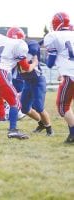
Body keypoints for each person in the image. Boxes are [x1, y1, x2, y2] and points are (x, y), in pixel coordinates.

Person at [0, 27, 38, 139]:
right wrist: (34, 63)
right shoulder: (19, 44)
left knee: (0, 111)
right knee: (16, 103)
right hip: (1, 74)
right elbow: (25, 67)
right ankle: (13, 130)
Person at [44, 12, 74, 143]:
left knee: (62, 106)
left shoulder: (53, 36)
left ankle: (73, 134)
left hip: (70, 75)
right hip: (68, 73)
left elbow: (50, 63)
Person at [19, 40, 53, 136]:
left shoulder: (29, 47)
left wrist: (32, 57)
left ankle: (49, 129)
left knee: (38, 107)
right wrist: (34, 63)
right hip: (27, 82)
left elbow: (34, 45)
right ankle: (41, 124)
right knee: (24, 109)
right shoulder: (14, 56)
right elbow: (24, 69)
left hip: (37, 80)